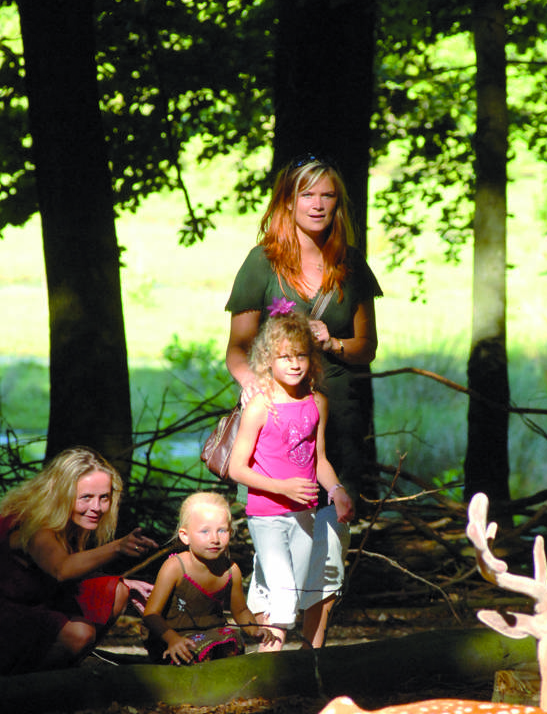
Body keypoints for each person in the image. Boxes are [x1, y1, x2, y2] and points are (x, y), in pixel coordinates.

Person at [225, 154, 381, 647]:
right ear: (288, 202)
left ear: (338, 204)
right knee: (275, 547)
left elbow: (367, 348)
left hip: (338, 419)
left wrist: (332, 343)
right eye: (307, 195)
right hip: (278, 424)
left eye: (327, 195)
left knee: (330, 546)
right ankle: (270, 656)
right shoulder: (263, 262)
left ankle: (313, 660)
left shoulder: (351, 265)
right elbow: (237, 349)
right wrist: (254, 385)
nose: (317, 204)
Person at [0, 447, 156, 679]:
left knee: (116, 591)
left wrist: (126, 584)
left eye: (104, 498)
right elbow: (61, 569)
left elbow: (62, 571)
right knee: (78, 634)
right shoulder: (35, 523)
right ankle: (24, 685)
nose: (97, 508)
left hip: (20, 613)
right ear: (62, 494)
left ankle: (60, 670)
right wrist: (117, 547)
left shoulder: (70, 522)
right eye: (86, 497)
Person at [227, 309, 354, 651]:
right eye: (285, 357)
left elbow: (320, 460)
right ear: (268, 360)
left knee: (289, 591)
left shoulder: (316, 403)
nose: (294, 364)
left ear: (312, 358)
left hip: (305, 513)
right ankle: (273, 662)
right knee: (283, 591)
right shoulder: (260, 406)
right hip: (267, 514)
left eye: (300, 355)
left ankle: (270, 661)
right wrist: (281, 488)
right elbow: (237, 468)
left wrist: (337, 490)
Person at [142, 491, 265, 664]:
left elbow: (240, 611)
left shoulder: (231, 570)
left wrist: (255, 630)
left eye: (221, 530)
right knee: (199, 647)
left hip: (213, 636)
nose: (215, 539)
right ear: (185, 536)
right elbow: (151, 614)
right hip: (172, 639)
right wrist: (173, 639)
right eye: (205, 531)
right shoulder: (175, 567)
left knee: (232, 637)